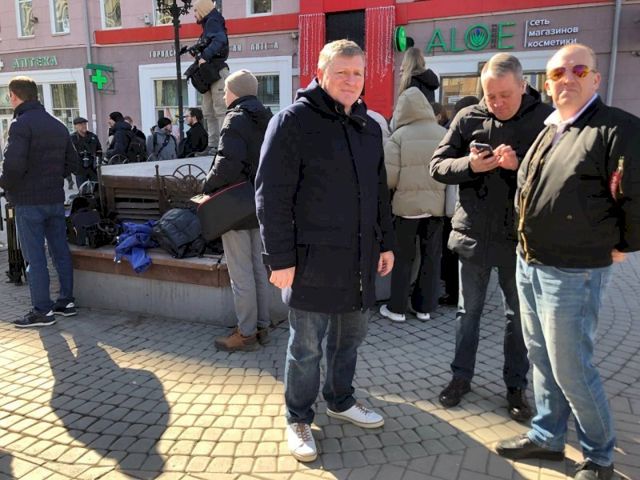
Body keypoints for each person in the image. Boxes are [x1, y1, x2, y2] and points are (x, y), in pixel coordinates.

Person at [496, 44, 640, 480]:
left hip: (574, 270)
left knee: (571, 367)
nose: (568, 79)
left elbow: (634, 195)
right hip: (531, 262)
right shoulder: (552, 128)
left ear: (596, 78)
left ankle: (599, 457)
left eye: (579, 70)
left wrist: (625, 243)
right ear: (547, 84)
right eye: (558, 73)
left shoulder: (617, 128)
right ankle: (548, 436)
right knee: (541, 357)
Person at [255, 40, 395, 463]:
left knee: (349, 340)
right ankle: (298, 417)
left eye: (357, 73)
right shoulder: (292, 122)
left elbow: (378, 193)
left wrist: (386, 242)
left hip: (358, 258)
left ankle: (340, 399)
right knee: (306, 348)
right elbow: (271, 196)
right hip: (310, 260)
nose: (351, 81)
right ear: (320, 73)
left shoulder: (369, 127)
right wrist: (279, 259)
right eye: (341, 72)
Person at [430, 53, 553, 421]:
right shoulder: (468, 117)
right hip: (474, 236)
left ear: (523, 85)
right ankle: (460, 378)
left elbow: (558, 176)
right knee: (467, 313)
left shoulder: (545, 120)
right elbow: (437, 165)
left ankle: (516, 387)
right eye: (490, 95)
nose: (497, 103)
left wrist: (520, 165)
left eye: (505, 95)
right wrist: (470, 165)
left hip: (521, 240)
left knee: (519, 318)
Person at [202, 70, 273, 351]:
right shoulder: (267, 118)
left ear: (236, 92)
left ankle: (246, 333)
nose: (223, 95)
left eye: (225, 90)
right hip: (259, 203)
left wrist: (206, 186)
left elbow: (227, 163)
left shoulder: (235, 119)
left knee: (240, 272)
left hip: (235, 205)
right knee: (257, 268)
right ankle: (262, 326)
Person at [0, 76, 78, 327]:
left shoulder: (20, 125)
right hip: (54, 198)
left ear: (14, 96)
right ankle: (66, 302)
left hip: (28, 201)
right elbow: (72, 162)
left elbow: (12, 166)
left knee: (35, 258)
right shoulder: (57, 124)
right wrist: (53, 178)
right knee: (60, 251)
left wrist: (6, 185)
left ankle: (42, 310)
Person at [379, 87, 446, 323]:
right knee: (431, 257)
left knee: (403, 258)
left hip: (406, 210)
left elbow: (389, 178)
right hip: (436, 208)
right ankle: (424, 308)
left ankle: (397, 308)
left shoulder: (399, 137)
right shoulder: (442, 133)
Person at [438, 95, 480, 307]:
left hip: (454, 208)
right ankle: (463, 295)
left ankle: (454, 294)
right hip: (474, 209)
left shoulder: (454, 135)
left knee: (452, 253)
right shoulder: (483, 135)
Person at [193, 0, 229, 154]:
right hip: (210, 71)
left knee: (220, 109)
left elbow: (220, 40)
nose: (194, 14)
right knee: (208, 110)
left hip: (216, 70)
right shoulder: (210, 23)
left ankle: (222, 145)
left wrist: (204, 55)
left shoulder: (212, 21)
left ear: (202, 9)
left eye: (196, 11)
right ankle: (213, 144)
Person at [70, 117, 102, 188]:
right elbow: (69, 154)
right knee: (82, 189)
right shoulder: (72, 138)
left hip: (92, 167)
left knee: (97, 188)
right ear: (75, 126)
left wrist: (98, 161)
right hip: (80, 168)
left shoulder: (93, 136)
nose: (83, 126)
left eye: (84, 124)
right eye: (81, 124)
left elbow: (99, 150)